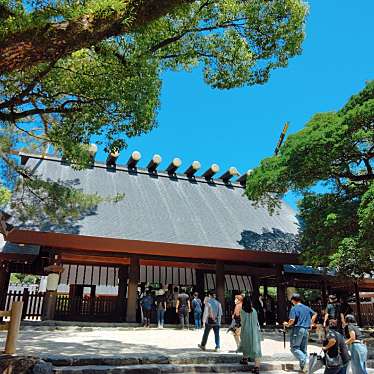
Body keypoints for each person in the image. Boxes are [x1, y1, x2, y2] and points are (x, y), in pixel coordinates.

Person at [283, 293, 317, 372]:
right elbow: (315, 314)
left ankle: (305, 360)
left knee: (294, 348)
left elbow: (292, 320)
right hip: (306, 330)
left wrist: (287, 324)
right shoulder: (306, 307)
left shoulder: (294, 308)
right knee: (303, 349)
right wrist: (311, 322)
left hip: (298, 329)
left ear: (293, 300)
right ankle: (304, 368)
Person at [237, 295, 262, 374]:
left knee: (245, 344)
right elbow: (256, 321)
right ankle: (256, 367)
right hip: (255, 331)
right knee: (257, 348)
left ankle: (245, 359)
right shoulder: (254, 310)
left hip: (246, 331)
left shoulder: (242, 311)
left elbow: (242, 322)